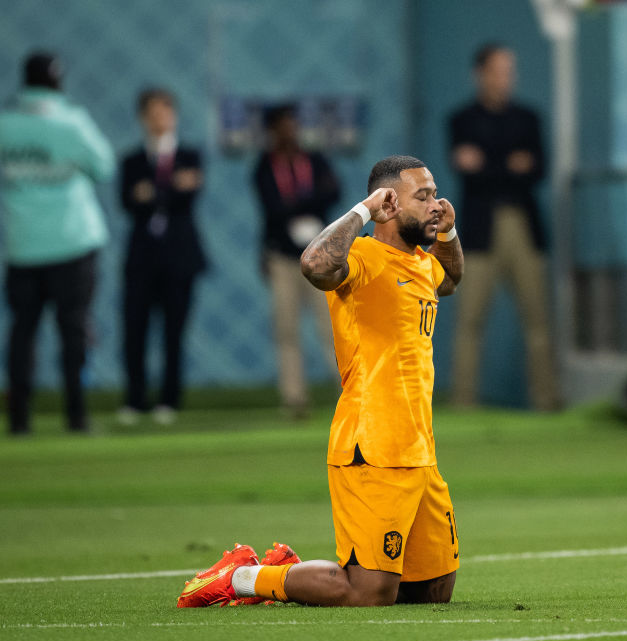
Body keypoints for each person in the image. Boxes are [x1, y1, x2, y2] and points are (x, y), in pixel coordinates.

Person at [177, 155, 464, 607]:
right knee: (367, 592)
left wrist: (447, 231)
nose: (435, 204)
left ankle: (282, 572)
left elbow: (450, 280)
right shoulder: (364, 258)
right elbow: (312, 264)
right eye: (422, 197)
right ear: (390, 203)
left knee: (432, 591)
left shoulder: (421, 264)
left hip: (419, 451)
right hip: (372, 448)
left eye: (435, 193)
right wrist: (363, 210)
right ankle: (244, 578)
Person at [0, 51, 114, 435]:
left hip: (23, 244)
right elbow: (104, 166)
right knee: (74, 330)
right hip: (73, 241)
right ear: (58, 81)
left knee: (22, 331)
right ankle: (76, 416)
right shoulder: (72, 122)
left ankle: (18, 420)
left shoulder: (5, 124)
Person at [448, 43, 559, 410]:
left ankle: (546, 399)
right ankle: (464, 401)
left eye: (509, 71)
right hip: (481, 230)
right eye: (498, 71)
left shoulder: (527, 118)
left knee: (538, 319)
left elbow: (537, 170)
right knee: (470, 320)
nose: (505, 79)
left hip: (522, 226)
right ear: (479, 73)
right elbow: (468, 172)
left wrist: (487, 164)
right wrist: (509, 166)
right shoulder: (461, 119)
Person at [117, 88, 206, 426]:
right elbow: (129, 203)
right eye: (152, 113)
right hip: (141, 260)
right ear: (143, 118)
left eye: (165, 112)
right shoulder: (131, 161)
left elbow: (188, 199)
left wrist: (152, 191)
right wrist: (170, 187)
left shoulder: (190, 155)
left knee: (174, 333)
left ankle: (169, 400)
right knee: (135, 331)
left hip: (180, 259)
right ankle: (134, 400)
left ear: (174, 116)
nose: (159, 119)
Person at [252, 104, 341, 417]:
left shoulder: (314, 160)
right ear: (272, 131)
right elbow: (271, 209)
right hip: (282, 256)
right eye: (283, 126)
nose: (290, 131)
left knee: (331, 327)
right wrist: (304, 202)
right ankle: (294, 398)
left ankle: (348, 390)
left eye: (293, 124)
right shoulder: (265, 165)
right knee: (286, 329)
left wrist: (295, 202)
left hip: (319, 255)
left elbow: (333, 192)